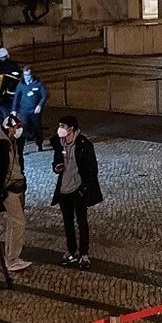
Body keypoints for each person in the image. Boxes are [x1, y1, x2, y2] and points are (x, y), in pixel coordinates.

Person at [50, 115, 102, 270]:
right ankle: (71, 251)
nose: (60, 129)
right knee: (67, 223)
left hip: (78, 190)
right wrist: (56, 167)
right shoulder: (59, 143)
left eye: (62, 126)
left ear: (71, 128)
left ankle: (84, 253)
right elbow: (55, 161)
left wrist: (83, 190)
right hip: (64, 190)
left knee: (82, 222)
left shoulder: (84, 145)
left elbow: (92, 170)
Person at [0, 114, 31, 272]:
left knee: (13, 223)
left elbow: (17, 162)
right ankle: (13, 260)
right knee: (19, 223)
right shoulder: (0, 145)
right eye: (17, 127)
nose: (19, 130)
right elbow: (0, 171)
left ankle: (10, 256)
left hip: (17, 185)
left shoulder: (12, 141)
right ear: (10, 128)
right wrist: (1, 190)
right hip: (9, 188)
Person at [12, 66, 48, 151]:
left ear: (32, 74)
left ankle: (39, 144)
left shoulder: (38, 84)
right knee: (23, 129)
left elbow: (45, 95)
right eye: (25, 75)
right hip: (24, 111)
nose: (27, 77)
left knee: (37, 127)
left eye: (28, 75)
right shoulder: (21, 85)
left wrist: (40, 105)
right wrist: (14, 110)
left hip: (35, 111)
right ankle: (21, 147)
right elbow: (16, 98)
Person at [0, 47, 21, 135]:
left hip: (11, 91)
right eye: (1, 57)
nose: (2, 59)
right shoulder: (0, 67)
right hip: (5, 92)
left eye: (3, 57)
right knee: (0, 106)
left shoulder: (9, 65)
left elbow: (18, 74)